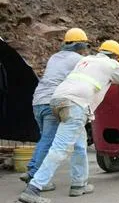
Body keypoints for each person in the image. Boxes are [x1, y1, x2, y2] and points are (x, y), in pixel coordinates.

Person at [18, 40, 119, 203]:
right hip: (76, 105)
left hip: (57, 99)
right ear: (116, 56)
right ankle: (33, 189)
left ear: (101, 50)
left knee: (80, 144)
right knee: (60, 148)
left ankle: (79, 184)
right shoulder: (111, 64)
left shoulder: (84, 60)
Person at [20, 28, 90, 190]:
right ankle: (33, 173)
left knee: (45, 138)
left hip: (37, 100)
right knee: (50, 140)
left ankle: (35, 172)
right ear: (80, 45)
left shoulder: (54, 57)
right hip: (53, 100)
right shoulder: (77, 60)